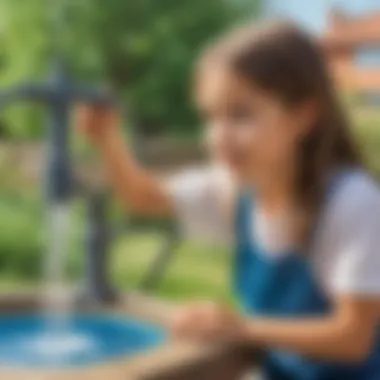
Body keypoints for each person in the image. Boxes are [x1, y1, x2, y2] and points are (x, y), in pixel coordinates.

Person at [77, 21, 380, 380]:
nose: (219, 137)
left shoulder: (350, 201)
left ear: (303, 116)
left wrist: (237, 326)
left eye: (240, 115)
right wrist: (106, 137)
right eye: (210, 116)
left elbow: (353, 336)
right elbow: (143, 197)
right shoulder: (237, 192)